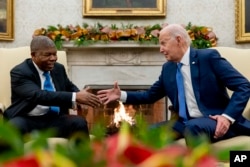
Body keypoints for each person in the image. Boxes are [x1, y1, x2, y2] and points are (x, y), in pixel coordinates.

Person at [97, 24, 250, 143]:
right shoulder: (168, 68)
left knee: (193, 126)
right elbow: (150, 95)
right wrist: (120, 95)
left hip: (213, 120)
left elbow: (243, 85)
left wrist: (226, 117)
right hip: (183, 123)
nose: (160, 49)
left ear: (178, 40)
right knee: (146, 133)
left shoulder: (208, 58)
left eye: (163, 43)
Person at [3, 36, 101, 139]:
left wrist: (81, 95)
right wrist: (75, 96)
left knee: (79, 122)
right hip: (27, 119)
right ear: (33, 55)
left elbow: (69, 86)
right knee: (14, 127)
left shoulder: (58, 68)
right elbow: (38, 95)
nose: (53, 58)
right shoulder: (20, 72)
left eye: (55, 54)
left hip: (54, 119)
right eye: (48, 55)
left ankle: (81, 154)